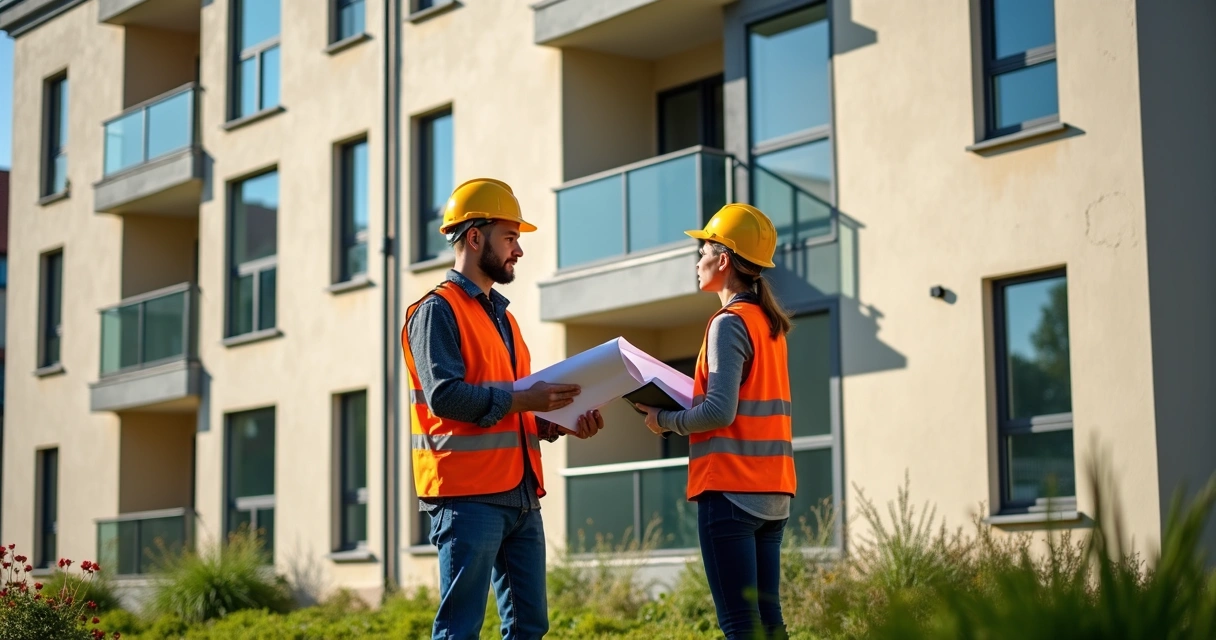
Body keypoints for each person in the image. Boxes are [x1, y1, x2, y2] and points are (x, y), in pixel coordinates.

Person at [401, 177, 605, 640]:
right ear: (475, 237)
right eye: (510, 238)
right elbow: (446, 396)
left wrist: (557, 421)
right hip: (466, 497)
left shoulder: (505, 318)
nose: (518, 250)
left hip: (519, 494)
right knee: (460, 629)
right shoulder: (436, 310)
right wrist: (523, 401)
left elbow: (515, 408)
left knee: (530, 626)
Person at [634, 203, 796, 640]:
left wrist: (664, 419)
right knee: (770, 623)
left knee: (742, 627)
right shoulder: (768, 323)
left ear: (723, 260)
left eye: (702, 250)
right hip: (773, 491)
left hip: (731, 491)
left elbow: (719, 412)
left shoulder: (728, 324)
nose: (697, 260)